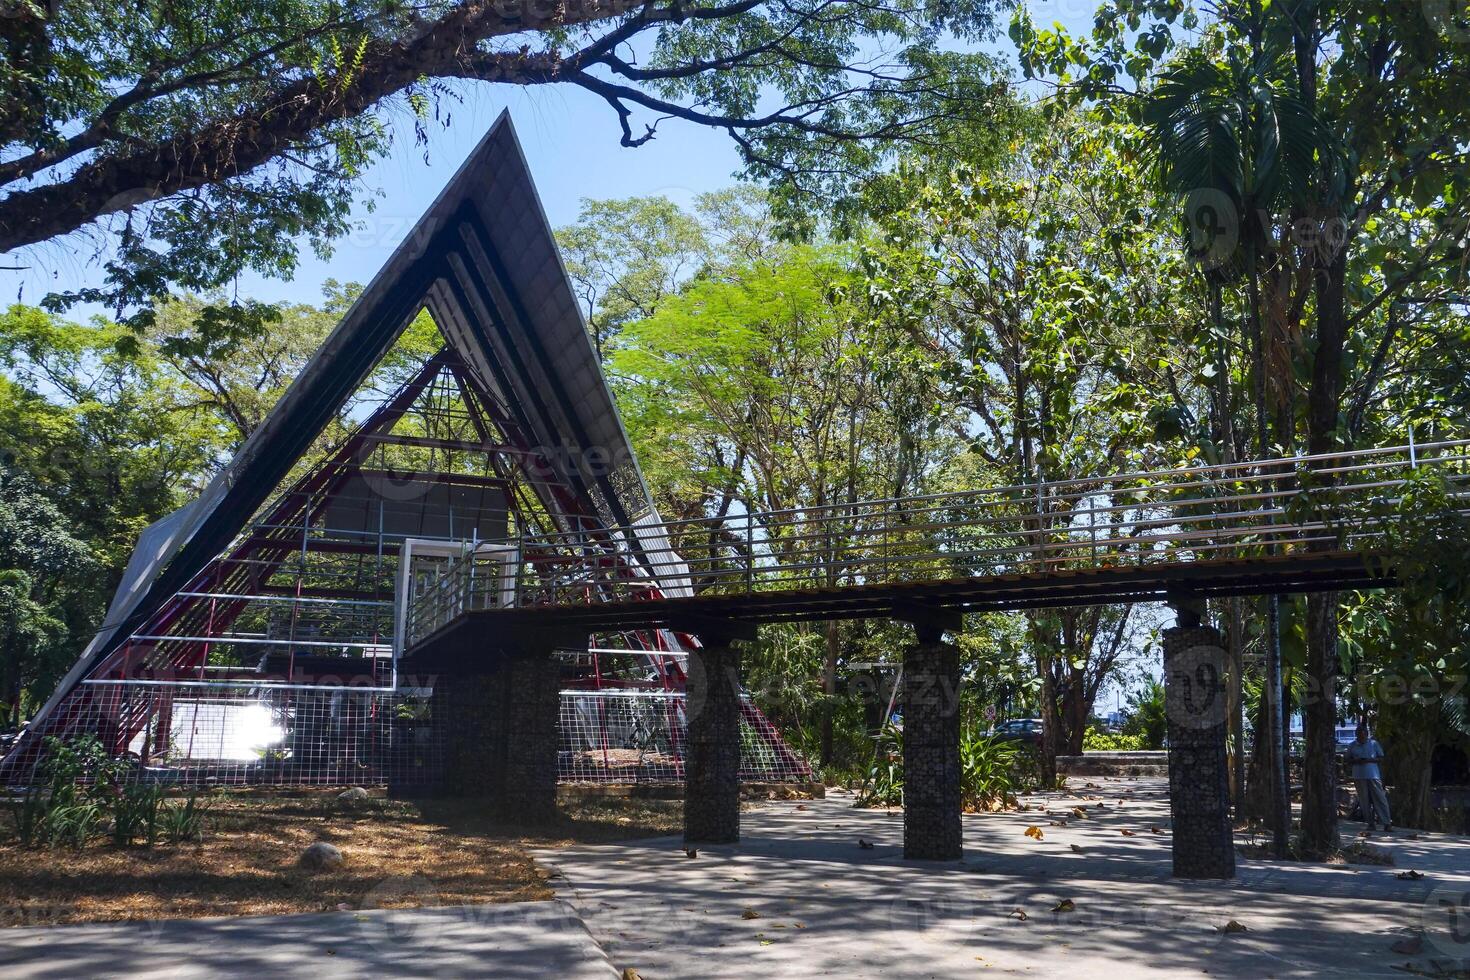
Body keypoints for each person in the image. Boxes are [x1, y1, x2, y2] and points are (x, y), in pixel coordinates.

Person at [1345, 724, 1392, 832]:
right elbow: (1347, 759)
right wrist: (1356, 761)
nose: (1361, 738)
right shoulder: (1352, 745)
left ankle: (1387, 823)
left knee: (1380, 799)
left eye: (1362, 735)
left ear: (1366, 735)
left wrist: (1368, 760)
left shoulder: (1373, 744)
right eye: (1358, 735)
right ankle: (1370, 823)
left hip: (1373, 775)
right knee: (1364, 800)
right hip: (1359, 776)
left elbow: (1381, 758)